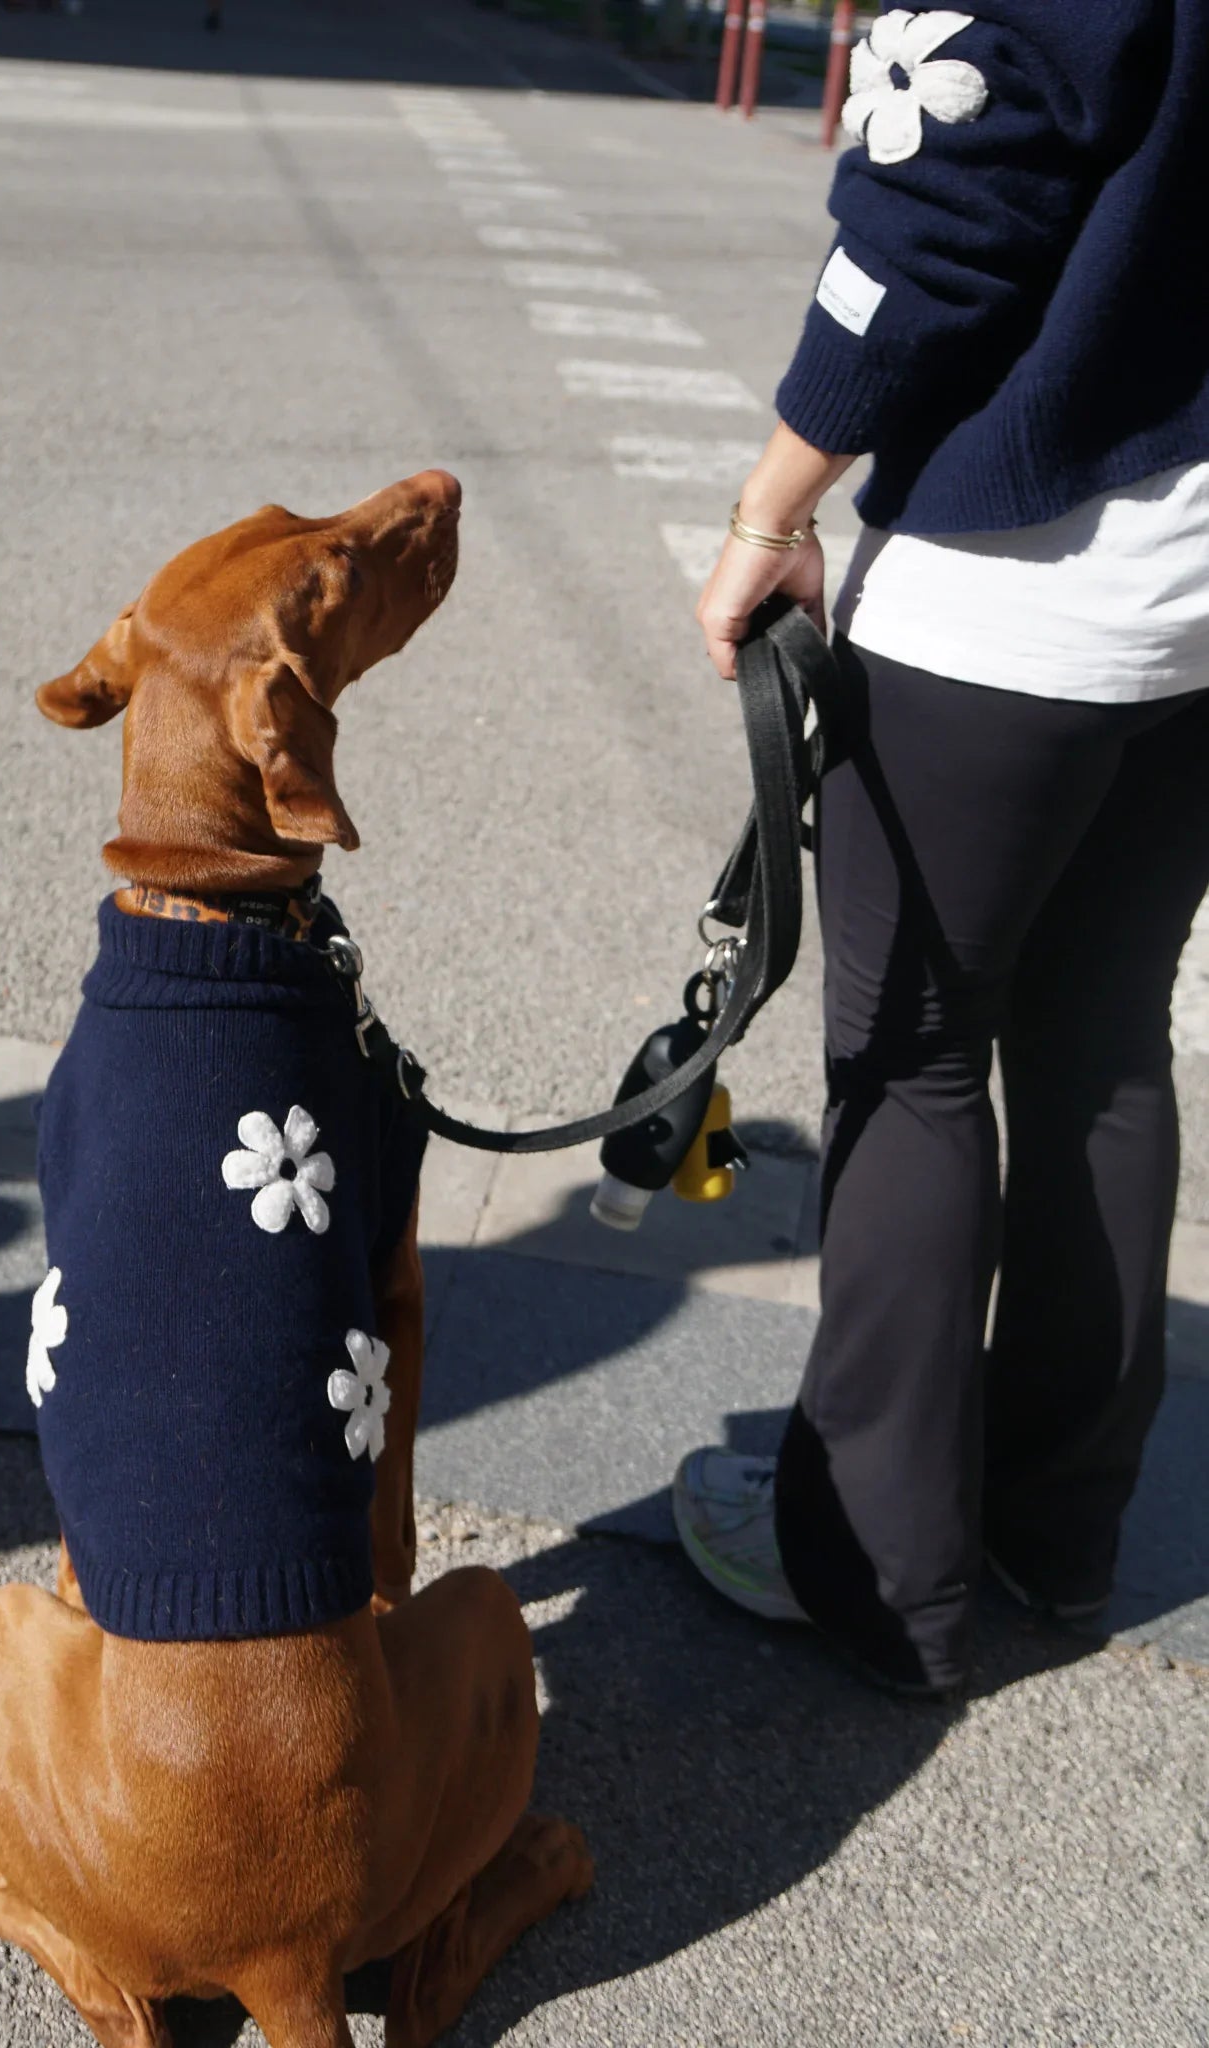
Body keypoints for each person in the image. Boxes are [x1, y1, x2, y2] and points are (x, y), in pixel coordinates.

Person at [671, 0, 1209, 1698]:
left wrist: (773, 504)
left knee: (907, 1062)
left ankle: (876, 1572)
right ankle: (1056, 1533)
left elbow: (948, 185)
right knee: (1104, 1041)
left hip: (1021, 559)